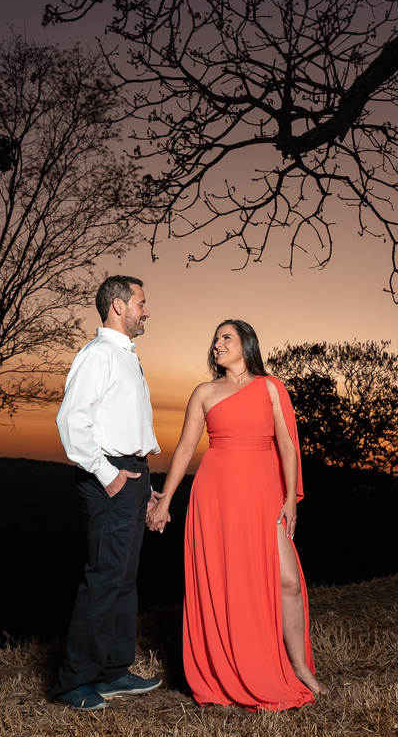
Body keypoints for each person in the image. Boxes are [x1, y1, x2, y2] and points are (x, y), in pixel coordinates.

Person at [147, 319, 327, 710]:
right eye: (214, 339)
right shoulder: (205, 392)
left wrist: (291, 498)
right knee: (229, 585)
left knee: (288, 581)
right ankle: (233, 670)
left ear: (247, 344)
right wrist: (165, 500)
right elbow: (184, 449)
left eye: (226, 337)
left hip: (263, 495)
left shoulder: (270, 387)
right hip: (216, 497)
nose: (217, 344)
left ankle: (300, 668)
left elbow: (288, 446)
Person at [50, 275, 162, 711]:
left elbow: (128, 424)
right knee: (102, 581)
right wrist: (109, 474)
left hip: (133, 476)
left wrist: (144, 483)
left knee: (124, 579)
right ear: (119, 305)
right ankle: (73, 683)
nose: (146, 310)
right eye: (142, 302)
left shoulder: (126, 356)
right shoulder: (98, 355)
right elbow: (71, 421)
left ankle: (114, 671)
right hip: (109, 480)